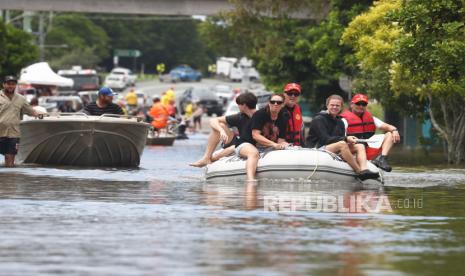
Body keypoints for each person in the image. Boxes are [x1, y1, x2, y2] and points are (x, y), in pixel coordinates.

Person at [306, 94, 379, 180]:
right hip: (317, 150)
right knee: (342, 144)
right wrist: (346, 139)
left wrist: (349, 141)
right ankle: (359, 172)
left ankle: (364, 170)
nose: (335, 107)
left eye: (337, 105)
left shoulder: (340, 121)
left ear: (341, 107)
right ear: (327, 106)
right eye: (332, 105)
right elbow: (325, 139)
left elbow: (339, 138)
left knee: (360, 145)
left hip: (332, 149)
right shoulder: (318, 119)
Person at [190, 92, 259, 181]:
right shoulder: (240, 116)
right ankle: (207, 157)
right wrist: (221, 130)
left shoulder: (261, 116)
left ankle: (210, 159)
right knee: (221, 126)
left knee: (233, 148)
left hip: (249, 145)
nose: (238, 107)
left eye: (238, 105)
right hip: (241, 143)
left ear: (244, 105)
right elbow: (213, 120)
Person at [340, 94, 400, 172]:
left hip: (366, 149)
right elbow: (340, 139)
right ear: (352, 104)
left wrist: (395, 130)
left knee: (390, 134)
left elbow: (387, 126)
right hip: (350, 150)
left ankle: (382, 159)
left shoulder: (370, 118)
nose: (361, 106)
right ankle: (360, 167)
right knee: (359, 146)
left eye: (364, 104)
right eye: (358, 104)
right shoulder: (343, 120)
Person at [0, 76, 43, 167]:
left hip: (14, 132)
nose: (11, 86)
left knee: (10, 156)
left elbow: (31, 111)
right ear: (4, 85)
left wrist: (41, 114)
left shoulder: (21, 99)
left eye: (13, 84)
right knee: (5, 155)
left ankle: (9, 177)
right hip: (1, 132)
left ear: (15, 85)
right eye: (8, 84)